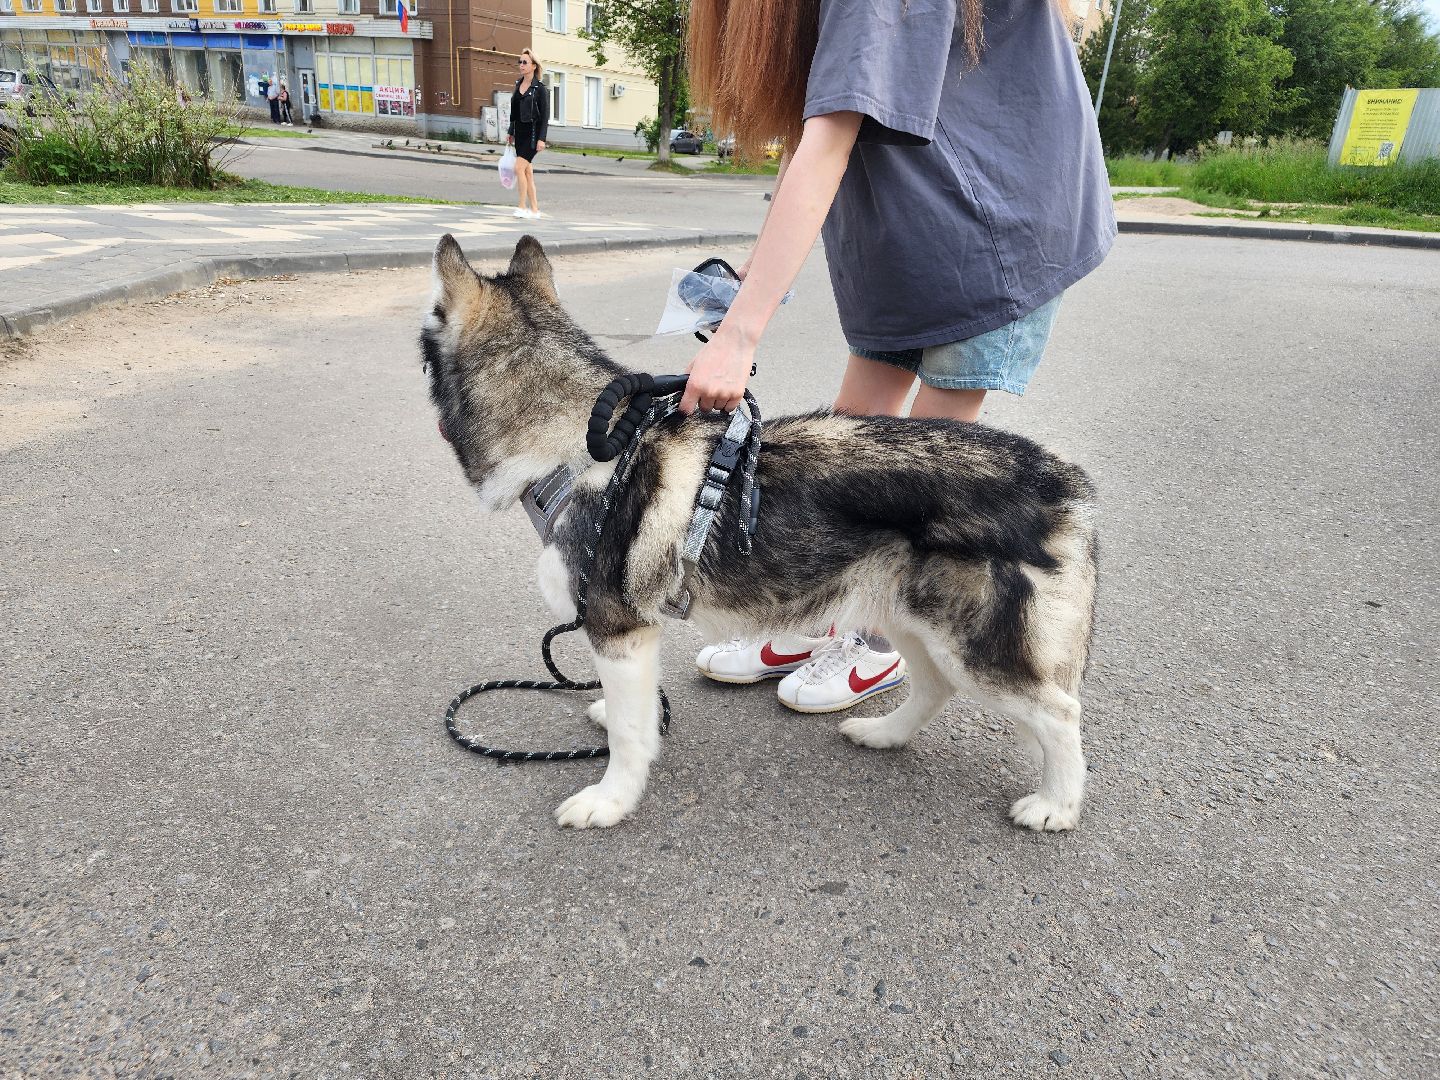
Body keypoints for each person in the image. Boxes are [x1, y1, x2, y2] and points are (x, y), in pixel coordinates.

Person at [683, 0, 1115, 713]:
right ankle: (821, 612)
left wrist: (739, 338)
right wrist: (744, 297)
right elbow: (809, 137)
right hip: (909, 223)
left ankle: (883, 640)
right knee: (850, 435)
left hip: (997, 217)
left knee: (926, 463)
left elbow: (829, 136)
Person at [505, 49, 548, 219]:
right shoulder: (518, 84)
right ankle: (535, 210)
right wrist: (511, 131)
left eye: (525, 62)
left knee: (518, 168)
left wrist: (541, 139)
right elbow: (514, 111)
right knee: (527, 172)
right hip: (519, 134)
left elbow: (545, 116)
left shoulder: (540, 89)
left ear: (533, 66)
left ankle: (522, 207)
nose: (521, 65)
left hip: (532, 135)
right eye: (520, 62)